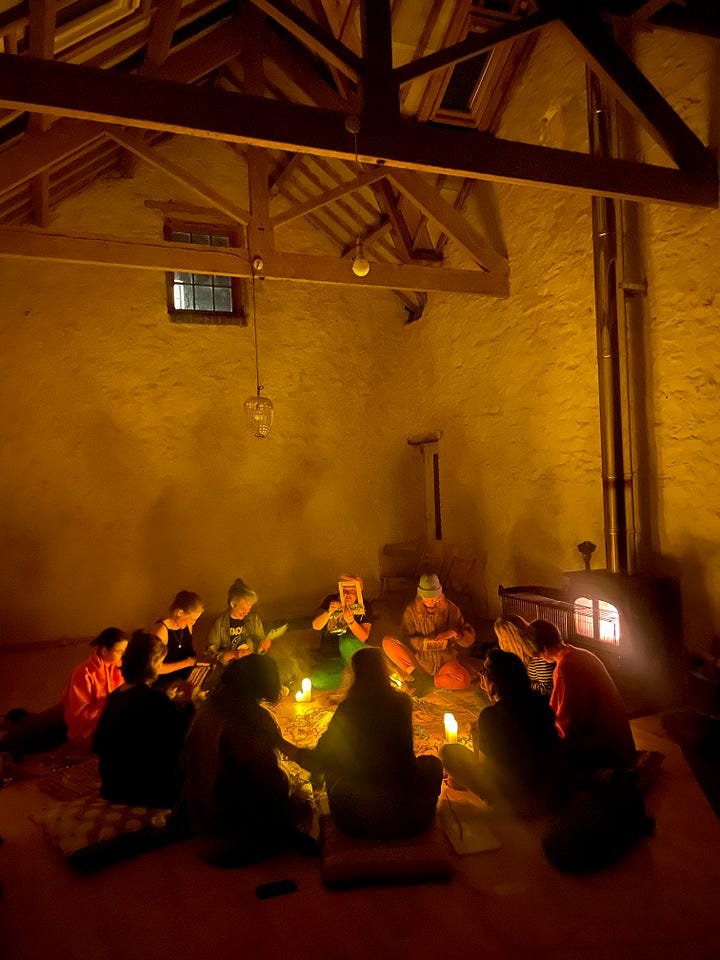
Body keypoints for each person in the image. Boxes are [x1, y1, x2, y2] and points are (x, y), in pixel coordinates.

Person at [291, 647, 443, 840]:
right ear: (384, 671)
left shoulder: (348, 709)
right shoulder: (402, 702)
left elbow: (318, 760)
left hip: (355, 822)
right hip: (410, 819)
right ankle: (419, 809)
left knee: (334, 765)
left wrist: (281, 744)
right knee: (432, 764)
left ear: (355, 674)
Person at [181, 654, 317, 867]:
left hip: (198, 824)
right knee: (305, 796)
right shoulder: (249, 717)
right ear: (263, 685)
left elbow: (276, 741)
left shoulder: (209, 707)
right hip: (232, 838)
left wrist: (300, 755)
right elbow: (270, 783)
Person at [440, 648, 571, 817]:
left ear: (495, 681)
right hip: (551, 792)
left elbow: (487, 770)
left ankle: (500, 804)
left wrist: (476, 739)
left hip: (516, 799)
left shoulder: (490, 716)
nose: (480, 674)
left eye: (485, 671)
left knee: (448, 752)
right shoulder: (542, 704)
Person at [92, 631, 195, 808]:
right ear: (152, 664)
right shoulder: (155, 701)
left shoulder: (115, 697)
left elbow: (98, 745)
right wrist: (190, 703)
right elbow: (182, 741)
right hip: (146, 793)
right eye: (160, 661)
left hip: (113, 787)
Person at [529, 619, 636, 776]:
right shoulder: (581, 653)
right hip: (619, 739)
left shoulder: (566, 667)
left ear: (543, 648)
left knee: (543, 753)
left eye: (537, 654)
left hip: (606, 746)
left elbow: (568, 724)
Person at [382, 573, 476, 694]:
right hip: (420, 661)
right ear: (420, 596)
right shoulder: (412, 610)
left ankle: (429, 681)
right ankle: (418, 675)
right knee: (388, 642)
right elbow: (405, 637)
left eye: (436, 597)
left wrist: (454, 633)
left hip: (444, 661)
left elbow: (468, 636)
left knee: (464, 680)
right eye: (428, 598)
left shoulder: (451, 609)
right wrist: (422, 643)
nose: (432, 602)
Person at [63, 627, 128, 743]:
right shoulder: (84, 673)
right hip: (89, 729)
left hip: (111, 718)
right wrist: (109, 703)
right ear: (104, 650)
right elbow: (80, 714)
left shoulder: (117, 666)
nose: (123, 655)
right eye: (119, 651)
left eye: (124, 651)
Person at [310, 576, 372, 690]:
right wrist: (329, 611)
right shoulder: (331, 600)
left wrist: (351, 622)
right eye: (344, 590)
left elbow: (364, 636)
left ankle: (357, 677)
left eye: (352, 591)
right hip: (333, 658)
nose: (347, 594)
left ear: (358, 592)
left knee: (346, 641)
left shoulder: (364, 605)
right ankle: (354, 680)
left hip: (353, 656)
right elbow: (316, 626)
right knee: (317, 679)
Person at [205, 578, 269, 664]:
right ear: (233, 604)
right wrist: (234, 654)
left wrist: (263, 647)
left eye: (249, 609)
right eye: (243, 609)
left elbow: (260, 645)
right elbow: (210, 655)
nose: (246, 612)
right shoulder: (219, 623)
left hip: (251, 667)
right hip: (229, 671)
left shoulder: (253, 620)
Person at [494, 614, 555, 696]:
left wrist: (521, 685)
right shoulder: (516, 657)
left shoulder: (538, 657)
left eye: (501, 638)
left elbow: (549, 690)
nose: (501, 643)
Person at [152, 590, 202, 679]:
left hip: (185, 678)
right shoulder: (161, 631)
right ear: (179, 613)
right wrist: (186, 663)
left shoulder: (188, 626)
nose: (193, 623)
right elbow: (154, 668)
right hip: (165, 683)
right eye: (191, 619)